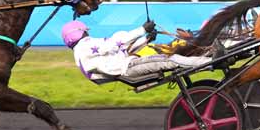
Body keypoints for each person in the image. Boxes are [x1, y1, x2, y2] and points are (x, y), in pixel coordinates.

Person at [61, 20, 212, 84]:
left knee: (170, 58)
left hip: (127, 66)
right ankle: (209, 63)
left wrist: (146, 39)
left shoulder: (82, 51)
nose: (88, 34)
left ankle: (206, 59)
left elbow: (122, 50)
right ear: (78, 33)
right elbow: (115, 44)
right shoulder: (85, 46)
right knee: (171, 59)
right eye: (85, 32)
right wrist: (142, 29)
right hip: (128, 68)